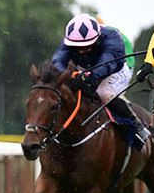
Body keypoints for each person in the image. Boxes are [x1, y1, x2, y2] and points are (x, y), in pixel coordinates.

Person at [51, 13, 147, 150]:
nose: (82, 51)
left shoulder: (112, 38)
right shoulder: (71, 39)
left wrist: (90, 75)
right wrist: (70, 75)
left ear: (97, 38)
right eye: (78, 47)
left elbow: (106, 64)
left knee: (103, 92)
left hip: (117, 68)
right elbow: (57, 62)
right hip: (88, 68)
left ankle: (136, 125)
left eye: (86, 46)